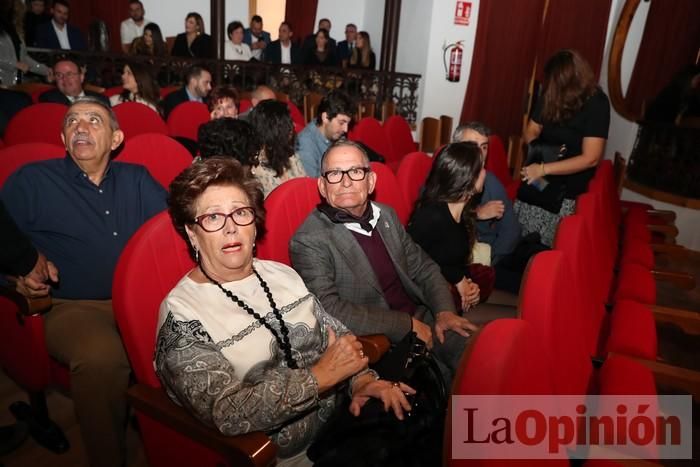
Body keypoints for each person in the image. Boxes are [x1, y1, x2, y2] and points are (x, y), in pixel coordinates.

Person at [156, 157, 413, 464]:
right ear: (193, 234)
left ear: (255, 224)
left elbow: (335, 335)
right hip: (276, 457)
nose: (230, 228)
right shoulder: (182, 315)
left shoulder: (282, 275)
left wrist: (362, 381)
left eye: (240, 213)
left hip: (341, 427)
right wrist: (319, 379)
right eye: (213, 218)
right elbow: (226, 411)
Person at [1, 96, 167, 467]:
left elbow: (168, 234)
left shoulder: (137, 178)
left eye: (94, 120)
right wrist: (14, 277)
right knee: (100, 357)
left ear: (115, 138)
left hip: (140, 299)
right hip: (72, 306)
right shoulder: (32, 181)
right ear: (63, 138)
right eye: (72, 121)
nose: (81, 126)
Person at [290, 141, 479, 384]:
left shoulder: (385, 215)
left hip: (425, 315)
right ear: (323, 186)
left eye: (356, 172)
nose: (346, 182)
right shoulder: (309, 239)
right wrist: (406, 325)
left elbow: (425, 267)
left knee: (482, 358)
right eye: (335, 174)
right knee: (439, 389)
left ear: (371, 182)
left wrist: (444, 311)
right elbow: (329, 309)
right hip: (379, 339)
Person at [516, 49, 610, 247]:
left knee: (549, 245)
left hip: (567, 187)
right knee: (523, 237)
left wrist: (544, 168)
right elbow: (531, 130)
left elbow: (590, 158)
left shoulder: (596, 103)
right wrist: (539, 150)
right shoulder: (551, 93)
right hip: (539, 176)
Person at [407, 142, 486, 313]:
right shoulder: (431, 215)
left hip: (449, 297)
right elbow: (410, 260)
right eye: (481, 169)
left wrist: (470, 286)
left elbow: (455, 261)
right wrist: (457, 279)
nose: (486, 173)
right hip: (426, 303)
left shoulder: (464, 214)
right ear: (467, 177)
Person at [453, 122, 521, 265]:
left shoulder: (490, 181)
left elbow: (512, 228)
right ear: (456, 149)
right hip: (459, 259)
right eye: (472, 146)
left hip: (490, 255)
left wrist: (492, 259)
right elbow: (440, 231)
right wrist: (477, 214)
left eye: (484, 147)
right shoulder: (443, 180)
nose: (480, 154)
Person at [249, 99, 306, 197]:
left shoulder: (291, 155)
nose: (293, 126)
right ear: (272, 130)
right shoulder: (256, 169)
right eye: (287, 123)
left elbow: (305, 187)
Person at [296, 90, 354, 177]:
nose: (345, 129)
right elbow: (311, 185)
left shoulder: (337, 134)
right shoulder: (305, 144)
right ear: (325, 117)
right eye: (341, 123)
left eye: (347, 124)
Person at [0, 1, 50, 86]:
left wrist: (46, 70)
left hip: (16, 83)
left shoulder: (16, 32)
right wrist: (14, 64)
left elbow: (23, 58)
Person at [38, 58, 110, 106]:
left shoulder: (101, 100)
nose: (65, 79)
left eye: (69, 74)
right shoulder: (49, 100)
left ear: (81, 77)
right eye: (59, 75)